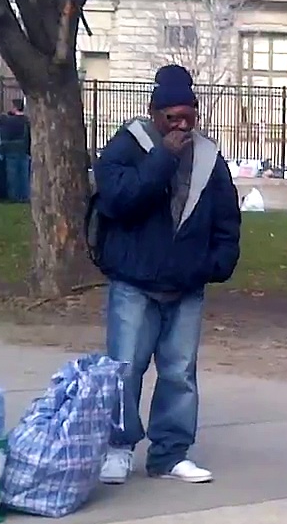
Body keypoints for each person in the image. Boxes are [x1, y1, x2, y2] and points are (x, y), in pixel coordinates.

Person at [90, 65, 241, 485]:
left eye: (187, 115)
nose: (180, 124)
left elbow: (227, 218)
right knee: (125, 367)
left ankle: (170, 454)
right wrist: (163, 157)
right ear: (154, 113)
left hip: (186, 283)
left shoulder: (209, 156)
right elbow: (120, 201)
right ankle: (117, 448)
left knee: (179, 372)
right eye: (171, 116)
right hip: (135, 281)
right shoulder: (127, 146)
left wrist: (216, 264)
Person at [0, 99, 30, 203]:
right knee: (24, 175)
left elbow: (5, 136)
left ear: (15, 108)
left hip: (11, 149)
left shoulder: (9, 121)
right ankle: (24, 196)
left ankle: (13, 196)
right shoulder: (27, 121)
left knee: (12, 174)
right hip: (24, 149)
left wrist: (2, 150)